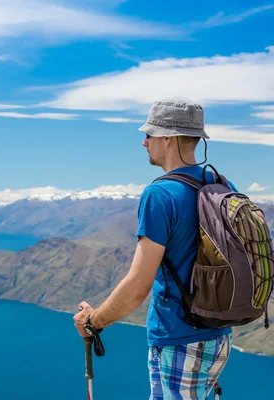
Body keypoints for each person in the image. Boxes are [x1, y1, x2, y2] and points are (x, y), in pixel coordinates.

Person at [73, 98, 235, 399]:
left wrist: (94, 322)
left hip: (178, 339)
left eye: (150, 134)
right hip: (219, 337)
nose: (144, 142)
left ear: (169, 139)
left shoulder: (160, 194)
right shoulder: (222, 186)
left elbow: (137, 286)